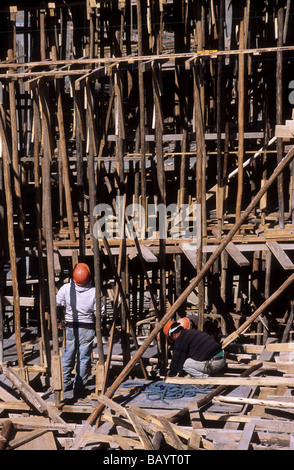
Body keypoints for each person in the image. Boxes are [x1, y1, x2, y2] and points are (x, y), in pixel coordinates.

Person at [56, 262, 105, 398]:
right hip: (87, 327)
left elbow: (57, 304)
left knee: (67, 356)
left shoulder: (66, 288)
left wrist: (60, 320)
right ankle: (78, 388)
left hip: (70, 326)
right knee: (83, 359)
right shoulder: (94, 292)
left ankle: (64, 384)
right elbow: (100, 312)